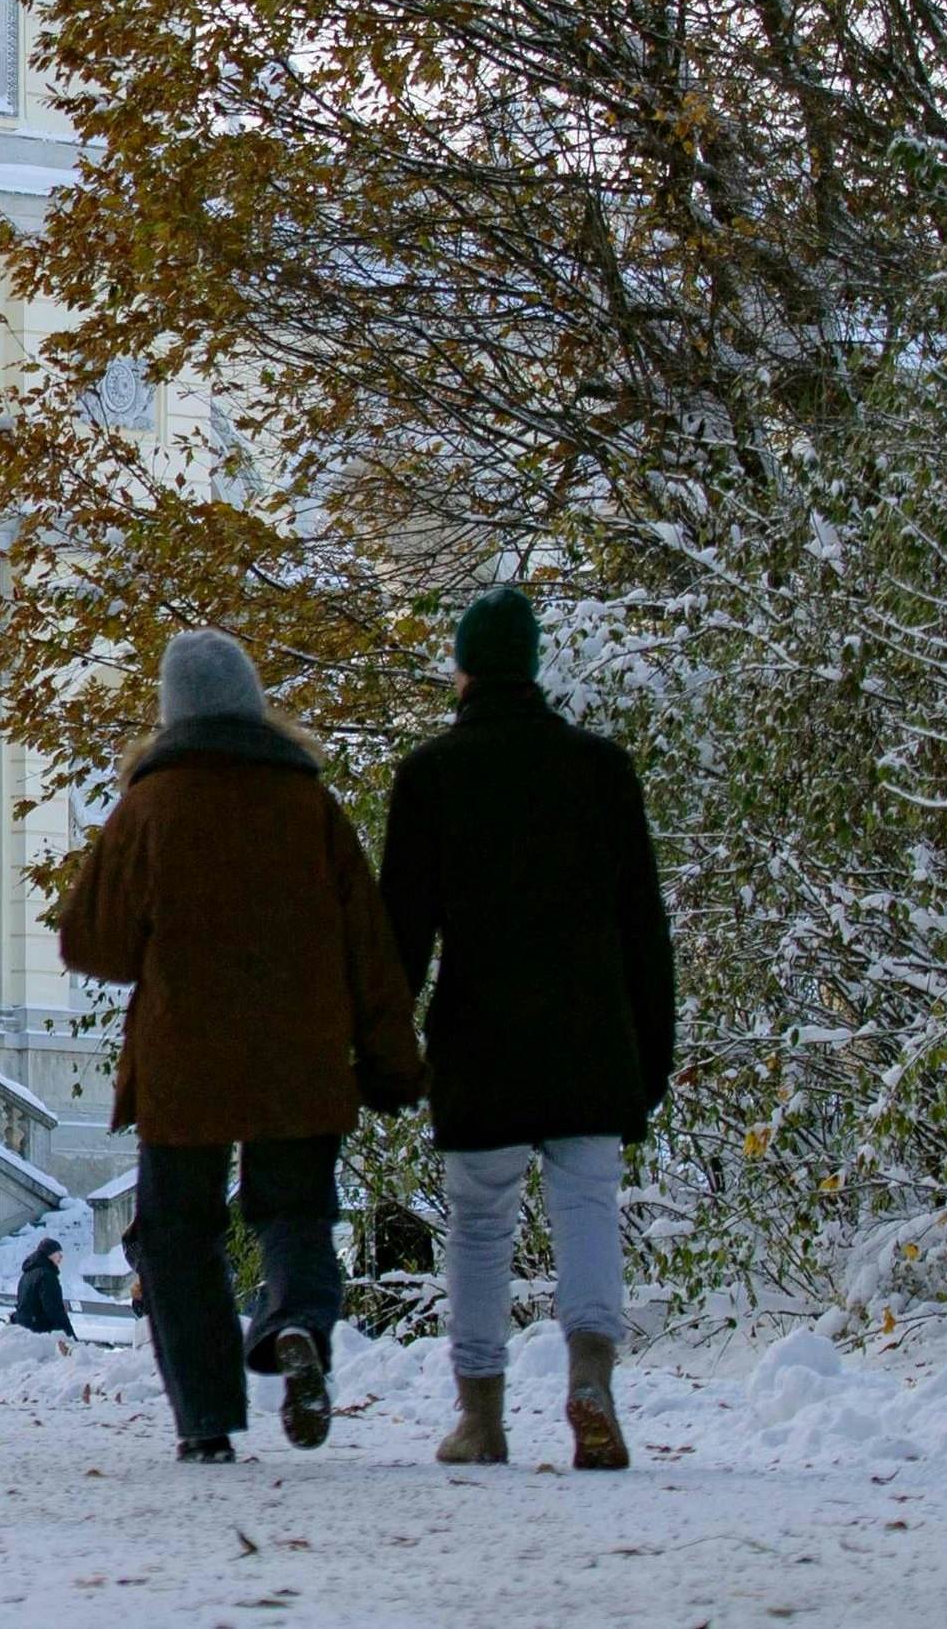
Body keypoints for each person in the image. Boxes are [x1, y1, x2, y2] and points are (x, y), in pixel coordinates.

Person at [60, 628, 427, 1463]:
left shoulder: (149, 807)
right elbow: (370, 948)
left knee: (177, 1232)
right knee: (294, 1210)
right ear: (258, 705)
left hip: (184, 1058)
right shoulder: (309, 805)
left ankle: (205, 1420)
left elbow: (93, 943)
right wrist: (392, 1063)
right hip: (300, 1054)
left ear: (169, 714)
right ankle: (295, 1321)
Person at [379, 584, 674, 1474]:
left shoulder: (431, 775)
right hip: (591, 1041)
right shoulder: (602, 769)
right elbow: (644, 931)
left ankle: (481, 1419)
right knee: (588, 1215)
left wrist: (387, 1054)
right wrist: (648, 1059)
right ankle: (591, 1381)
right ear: (535, 668)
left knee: (478, 1230)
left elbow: (404, 933)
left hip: (482, 1044)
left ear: (464, 670)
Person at [10, 1237, 74, 1337]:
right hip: (40, 1330)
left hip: (23, 1326)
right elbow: (53, 1308)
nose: (61, 1258)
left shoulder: (27, 1274)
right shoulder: (46, 1276)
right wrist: (69, 1336)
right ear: (50, 1255)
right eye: (59, 1254)